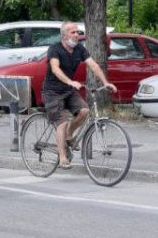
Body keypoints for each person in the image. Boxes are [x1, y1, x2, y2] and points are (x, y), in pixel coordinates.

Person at [43, 22, 116, 169]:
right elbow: (55, 69)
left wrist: (105, 82)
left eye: (77, 32)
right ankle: (63, 158)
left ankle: (70, 134)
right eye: (73, 32)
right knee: (61, 123)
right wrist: (70, 81)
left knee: (85, 111)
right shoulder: (55, 49)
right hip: (52, 91)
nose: (77, 35)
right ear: (64, 35)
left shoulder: (79, 49)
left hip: (68, 90)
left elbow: (94, 65)